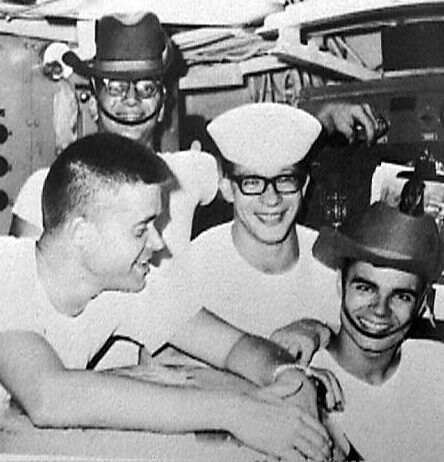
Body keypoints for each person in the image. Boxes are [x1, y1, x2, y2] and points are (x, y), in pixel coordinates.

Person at [0, 132, 345, 462]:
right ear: (81, 233)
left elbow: (233, 346)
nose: (157, 242)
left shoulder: (121, 285)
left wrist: (288, 375)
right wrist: (235, 412)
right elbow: (50, 396)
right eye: (142, 228)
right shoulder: (7, 271)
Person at [10, 12, 220, 266]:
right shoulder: (44, 189)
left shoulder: (191, 172)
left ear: (162, 106)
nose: (131, 99)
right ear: (93, 104)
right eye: (116, 87)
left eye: (146, 88)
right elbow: (22, 283)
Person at [171, 103, 340, 367]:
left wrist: (323, 332)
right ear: (227, 188)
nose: (271, 199)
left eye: (285, 179)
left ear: (304, 186)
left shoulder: (331, 263)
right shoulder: (194, 266)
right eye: (252, 182)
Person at [273, 200, 444, 461]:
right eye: (365, 288)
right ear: (340, 285)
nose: (380, 310)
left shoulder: (435, 367)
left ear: (421, 305)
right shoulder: (301, 376)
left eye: (402, 296)